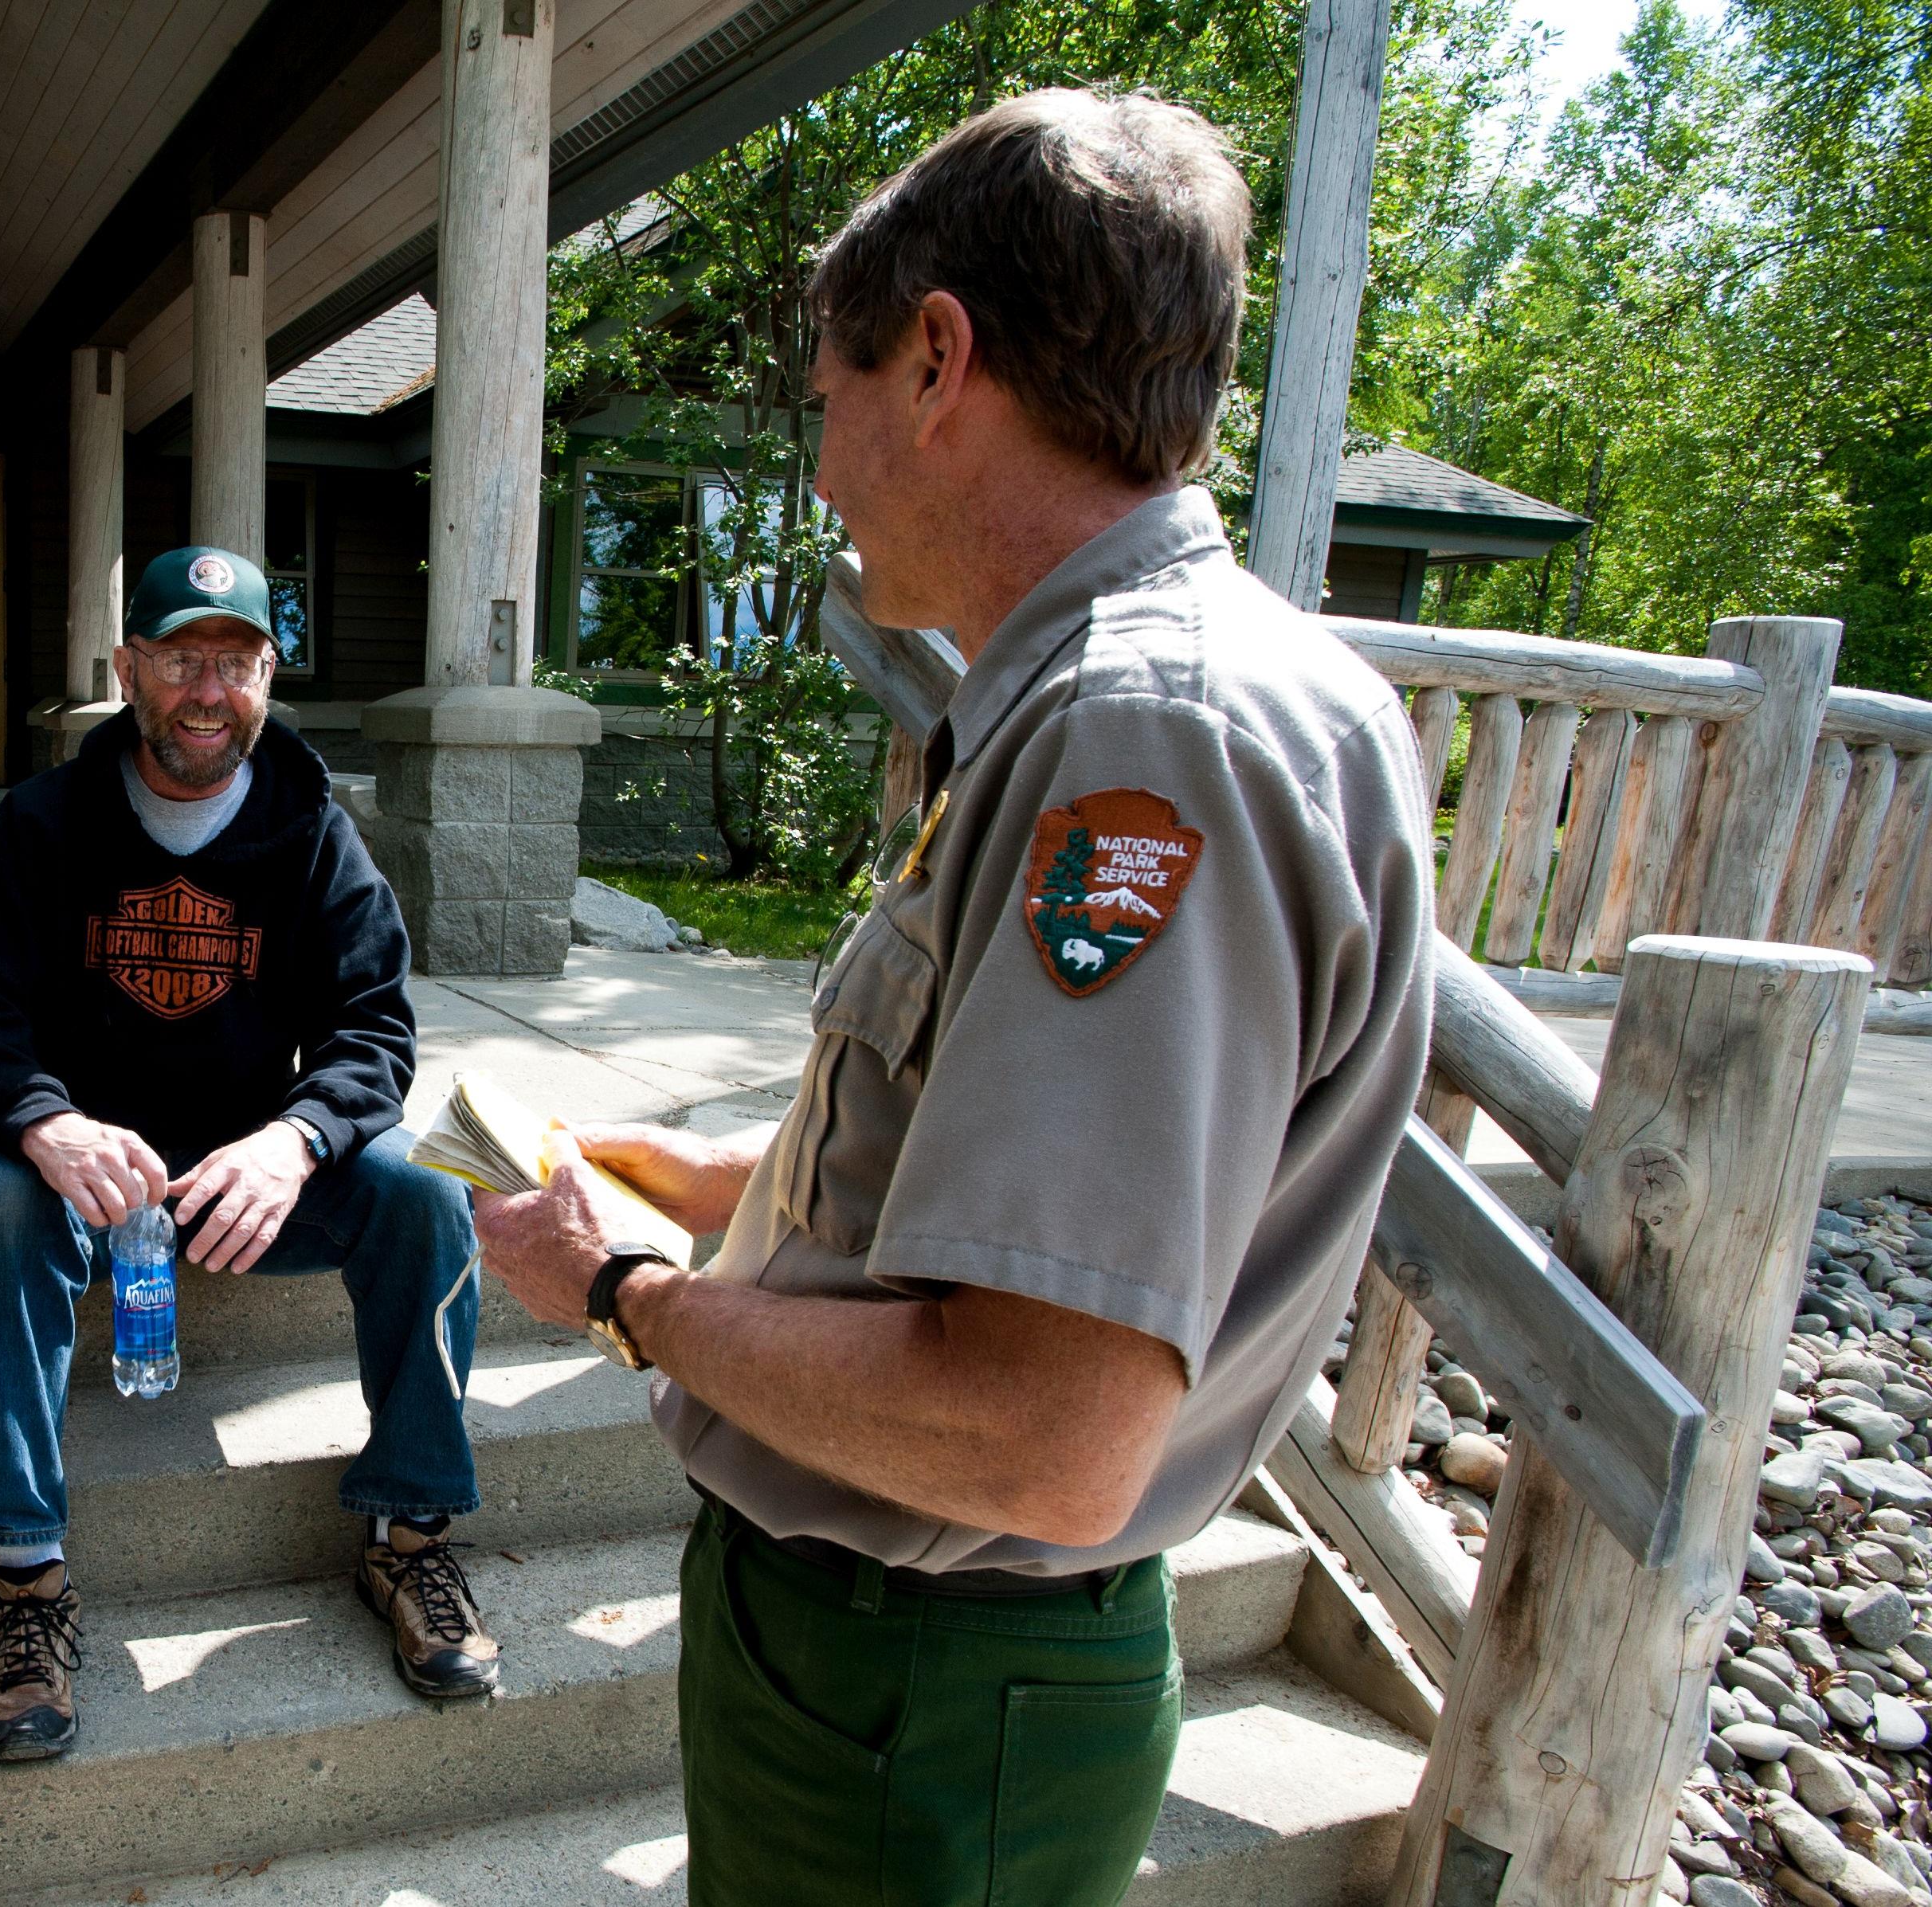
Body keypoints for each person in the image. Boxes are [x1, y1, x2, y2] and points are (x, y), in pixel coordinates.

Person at [468, 91, 1435, 1905]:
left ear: (936, 359)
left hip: (920, 1681)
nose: (820, 471)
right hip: (898, 1671)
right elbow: (998, 1187)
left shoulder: (1149, 738)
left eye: (821, 405)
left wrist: (622, 1294)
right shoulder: (1130, 699)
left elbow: (1041, 1436)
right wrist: (714, 1178)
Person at [0, 544, 492, 1762]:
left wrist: (294, 1140)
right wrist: (44, 1120)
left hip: (247, 1178)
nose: (207, 689)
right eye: (182, 658)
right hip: (82, 1175)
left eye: (235, 662)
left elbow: (373, 1029)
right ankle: (26, 1583)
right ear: (129, 669)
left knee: (430, 1192)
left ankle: (412, 1542)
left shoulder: (315, 832)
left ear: (270, 676)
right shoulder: (42, 824)